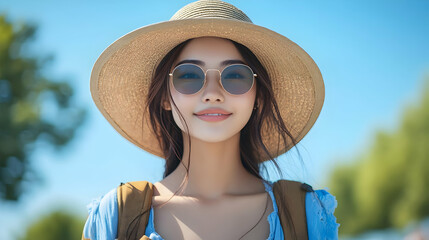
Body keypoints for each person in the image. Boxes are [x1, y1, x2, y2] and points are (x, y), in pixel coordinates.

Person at [82, 0, 340, 239]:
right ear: (164, 97)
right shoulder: (116, 216)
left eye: (236, 75)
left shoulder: (305, 214)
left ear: (258, 95)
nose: (213, 94)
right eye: (189, 76)